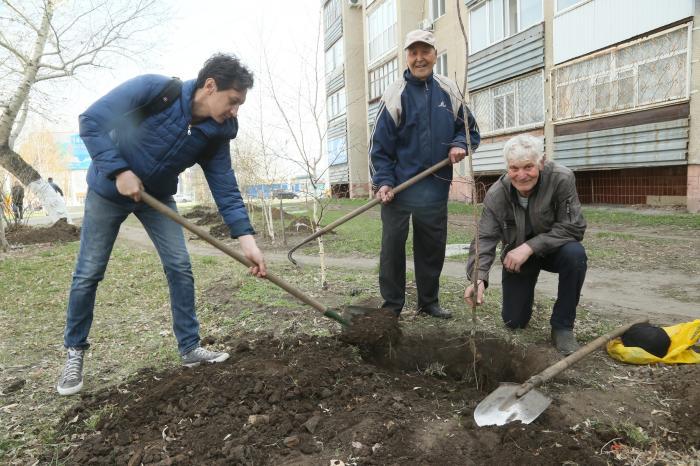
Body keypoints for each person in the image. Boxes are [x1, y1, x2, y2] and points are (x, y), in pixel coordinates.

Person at [57, 53, 267, 396]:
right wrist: (120, 171)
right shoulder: (156, 90)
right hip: (109, 191)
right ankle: (74, 352)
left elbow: (224, 185)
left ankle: (189, 347)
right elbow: (91, 121)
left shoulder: (218, 131)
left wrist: (246, 239)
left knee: (180, 266)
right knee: (89, 272)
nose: (235, 111)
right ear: (210, 86)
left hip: (157, 198)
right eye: (233, 101)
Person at [370, 30, 480, 319]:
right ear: (406, 57)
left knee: (431, 248)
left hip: (434, 187)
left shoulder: (449, 89)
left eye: (425, 51)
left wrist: (459, 144)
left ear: (434, 53)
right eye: (413, 52)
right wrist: (383, 182)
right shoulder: (395, 93)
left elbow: (470, 130)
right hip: (399, 189)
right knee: (392, 248)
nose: (419, 58)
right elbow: (379, 147)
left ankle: (428, 302)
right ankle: (392, 306)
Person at [464, 134, 587, 354]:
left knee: (575, 255)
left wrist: (530, 247)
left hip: (553, 251)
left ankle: (562, 326)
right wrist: (478, 277)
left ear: (541, 161)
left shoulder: (561, 178)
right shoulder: (497, 194)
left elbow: (574, 227)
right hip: (517, 260)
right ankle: (522, 305)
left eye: (528, 167)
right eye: (514, 168)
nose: (521, 175)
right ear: (507, 168)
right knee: (513, 322)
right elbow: (485, 237)